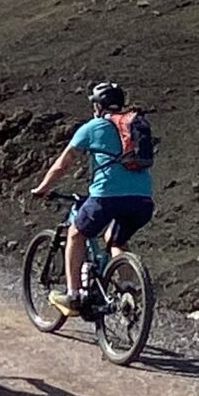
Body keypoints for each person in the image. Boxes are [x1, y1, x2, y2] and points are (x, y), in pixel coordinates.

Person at [28, 80, 155, 318]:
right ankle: (128, 291)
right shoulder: (134, 126)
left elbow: (63, 164)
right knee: (115, 239)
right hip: (143, 200)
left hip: (106, 197)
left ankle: (73, 295)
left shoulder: (93, 127)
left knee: (76, 233)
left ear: (98, 105)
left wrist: (43, 188)